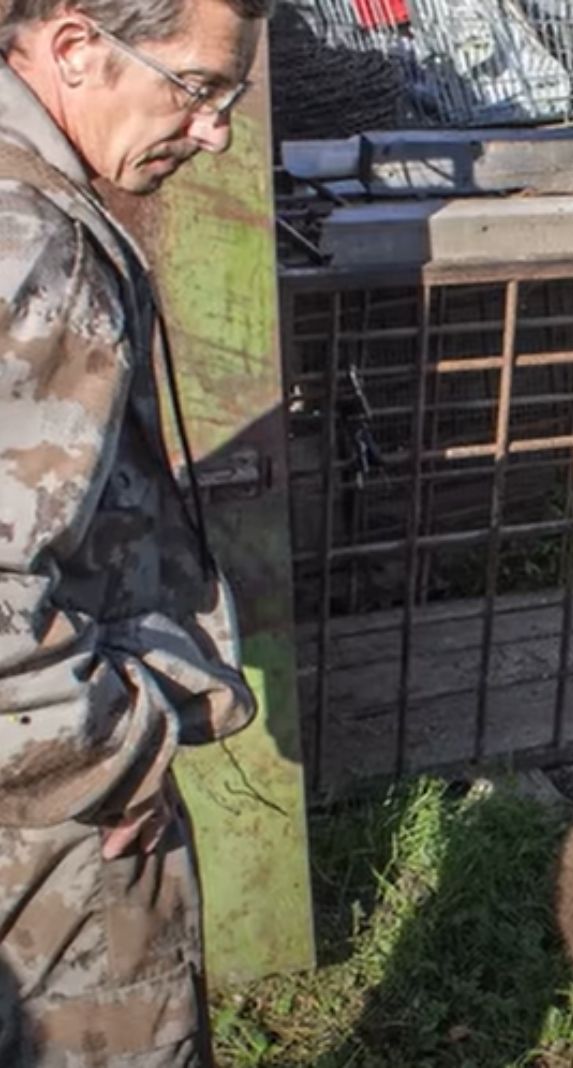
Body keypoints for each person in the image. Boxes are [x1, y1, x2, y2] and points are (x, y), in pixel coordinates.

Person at [0, 1, 270, 1063]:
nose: (214, 133)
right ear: (76, 51)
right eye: (200, 89)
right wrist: (118, 761)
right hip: (44, 820)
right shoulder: (38, 255)